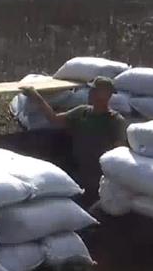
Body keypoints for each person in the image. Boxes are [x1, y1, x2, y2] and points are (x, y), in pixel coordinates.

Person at [20, 76, 128, 204]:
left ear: (106, 95)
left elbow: (118, 157)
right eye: (91, 90)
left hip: (98, 180)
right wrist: (36, 96)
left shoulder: (115, 121)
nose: (90, 93)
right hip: (78, 173)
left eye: (94, 90)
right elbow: (54, 119)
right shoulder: (82, 112)